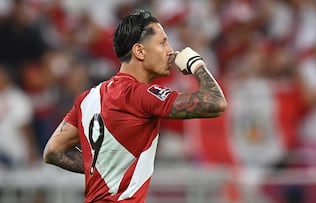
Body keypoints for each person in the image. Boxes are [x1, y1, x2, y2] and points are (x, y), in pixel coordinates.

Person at [43, 10, 227, 203]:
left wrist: (103, 167)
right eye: (163, 42)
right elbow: (216, 103)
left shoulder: (88, 98)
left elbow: (53, 151)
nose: (171, 50)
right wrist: (196, 64)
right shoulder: (141, 95)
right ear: (139, 51)